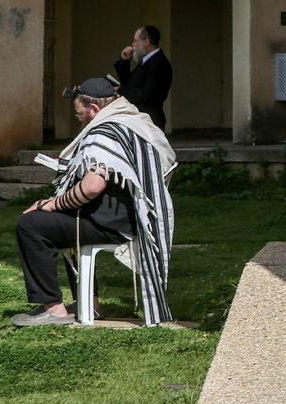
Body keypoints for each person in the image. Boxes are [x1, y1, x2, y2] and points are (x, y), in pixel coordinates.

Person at [13, 77, 176, 327]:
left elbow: (92, 186)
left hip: (112, 225)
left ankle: (53, 308)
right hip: (137, 218)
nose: (78, 119)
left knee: (31, 224)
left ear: (95, 109)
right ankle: (89, 302)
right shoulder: (135, 122)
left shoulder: (103, 132)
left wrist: (49, 204)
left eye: (80, 113)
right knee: (67, 218)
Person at [113, 25, 173, 130]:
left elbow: (147, 95)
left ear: (146, 42)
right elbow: (130, 83)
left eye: (136, 41)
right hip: (142, 119)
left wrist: (121, 90)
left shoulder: (157, 63)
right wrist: (125, 61)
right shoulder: (147, 61)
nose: (133, 44)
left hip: (150, 120)